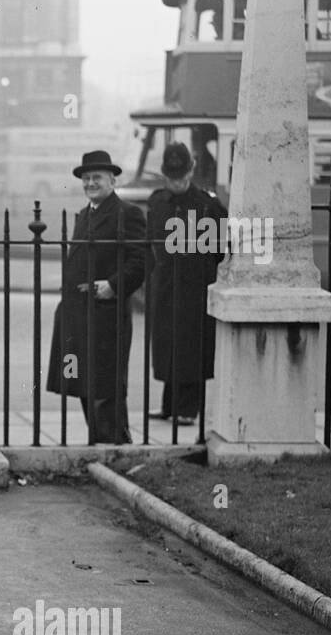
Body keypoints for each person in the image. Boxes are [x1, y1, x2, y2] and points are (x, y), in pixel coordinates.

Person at [45, 149, 146, 444]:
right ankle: (102, 445)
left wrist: (114, 285)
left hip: (105, 316)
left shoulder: (127, 213)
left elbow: (141, 260)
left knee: (105, 390)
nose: (90, 183)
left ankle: (115, 447)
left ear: (112, 180)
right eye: (86, 178)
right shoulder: (85, 214)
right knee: (86, 386)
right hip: (78, 315)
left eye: (97, 178)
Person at [145, 143, 227, 423]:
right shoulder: (157, 203)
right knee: (169, 345)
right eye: (172, 177)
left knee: (192, 347)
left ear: (191, 171)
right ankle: (169, 406)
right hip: (166, 284)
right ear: (164, 174)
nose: (177, 182)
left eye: (182, 176)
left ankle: (188, 410)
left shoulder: (208, 204)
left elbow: (221, 248)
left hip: (196, 287)